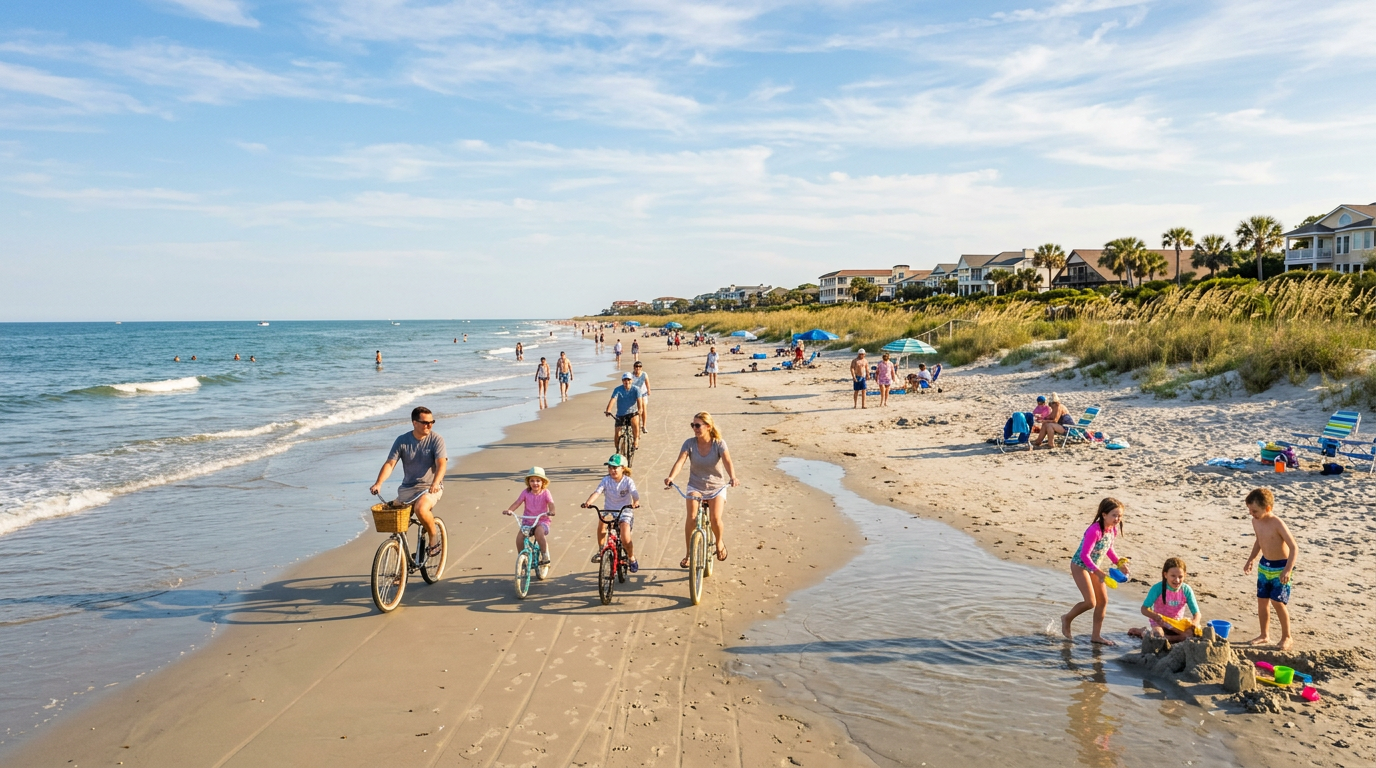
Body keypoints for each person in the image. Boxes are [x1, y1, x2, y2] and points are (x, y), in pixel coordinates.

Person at [664, 411, 739, 567]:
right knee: (691, 517)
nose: (695, 428)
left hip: (716, 487)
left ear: (708, 426)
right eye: (693, 425)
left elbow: (727, 462)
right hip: (695, 485)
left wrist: (733, 477)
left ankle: (718, 543)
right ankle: (689, 554)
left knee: (715, 518)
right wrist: (671, 477)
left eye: (698, 425)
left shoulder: (719, 443)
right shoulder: (689, 444)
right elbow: (680, 461)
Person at [369, 407, 447, 554]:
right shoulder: (402, 440)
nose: (429, 426)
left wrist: (436, 482)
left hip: (430, 487)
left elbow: (441, 464)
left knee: (420, 508)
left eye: (432, 422)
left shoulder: (436, 439)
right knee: (396, 524)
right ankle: (401, 566)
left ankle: (433, 539)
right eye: (425, 423)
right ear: (414, 423)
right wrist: (378, 483)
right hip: (407, 489)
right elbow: (390, 464)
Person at [1060, 498, 1129, 645]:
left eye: (1120, 516)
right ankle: (1067, 618)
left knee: (1103, 601)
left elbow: (1108, 548)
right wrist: (1098, 572)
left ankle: (1096, 636)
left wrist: (1118, 563)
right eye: (1114, 515)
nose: (1117, 519)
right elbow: (1085, 555)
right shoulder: (1095, 530)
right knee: (1090, 602)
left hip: (1093, 567)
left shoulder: (1112, 529)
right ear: (1104, 515)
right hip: (1080, 565)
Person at [1243, 487, 1297, 650]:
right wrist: (1251, 559)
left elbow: (1294, 547)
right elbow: (1259, 541)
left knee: (1278, 602)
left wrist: (1287, 569)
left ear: (1267, 508)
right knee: (1262, 601)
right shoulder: (1255, 521)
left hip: (1280, 568)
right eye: (1250, 510)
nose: (1252, 514)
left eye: (1255, 510)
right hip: (1264, 566)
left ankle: (1287, 637)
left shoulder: (1277, 523)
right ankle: (1264, 634)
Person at [581, 454, 639, 572]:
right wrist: (588, 502)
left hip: (625, 511)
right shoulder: (606, 480)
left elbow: (634, 492)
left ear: (623, 468)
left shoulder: (628, 481)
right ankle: (601, 550)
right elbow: (597, 492)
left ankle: (631, 558)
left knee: (625, 538)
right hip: (609, 510)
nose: (612, 470)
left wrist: (636, 502)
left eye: (615, 467)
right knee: (602, 523)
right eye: (610, 467)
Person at [1128, 557, 1201, 642]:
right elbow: (1144, 609)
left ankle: (1170, 639)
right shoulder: (1157, 588)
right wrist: (1155, 616)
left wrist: (1195, 622)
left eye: (1180, 576)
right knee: (1157, 636)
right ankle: (1143, 632)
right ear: (1165, 575)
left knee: (1193, 633)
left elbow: (1197, 613)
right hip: (1159, 623)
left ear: (1185, 575)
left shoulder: (1186, 590)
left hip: (1176, 624)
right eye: (1173, 576)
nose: (1177, 580)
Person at [502, 467, 554, 566]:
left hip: (542, 521)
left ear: (543, 482)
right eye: (532, 481)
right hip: (528, 521)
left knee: (539, 533)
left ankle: (545, 555)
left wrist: (552, 511)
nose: (535, 483)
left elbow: (551, 503)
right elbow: (518, 502)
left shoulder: (546, 493)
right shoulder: (525, 492)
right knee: (519, 538)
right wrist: (510, 510)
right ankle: (523, 557)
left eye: (538, 481)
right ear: (528, 482)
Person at [605, 373, 641, 455]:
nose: (627, 381)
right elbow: (613, 399)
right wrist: (608, 410)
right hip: (621, 414)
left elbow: (639, 400)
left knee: (635, 420)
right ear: (622, 381)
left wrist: (640, 409)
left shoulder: (636, 389)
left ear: (632, 380)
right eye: (625, 380)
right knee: (617, 433)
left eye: (628, 379)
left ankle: (636, 440)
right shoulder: (618, 389)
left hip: (632, 413)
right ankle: (617, 449)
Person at [631, 360, 651, 433]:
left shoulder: (644, 374)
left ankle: (644, 426)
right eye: (636, 366)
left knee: (643, 409)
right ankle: (636, 425)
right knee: (636, 411)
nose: (638, 368)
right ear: (634, 367)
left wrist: (649, 390)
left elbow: (647, 383)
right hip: (635, 394)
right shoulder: (631, 375)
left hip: (643, 393)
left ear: (641, 368)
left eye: (639, 366)